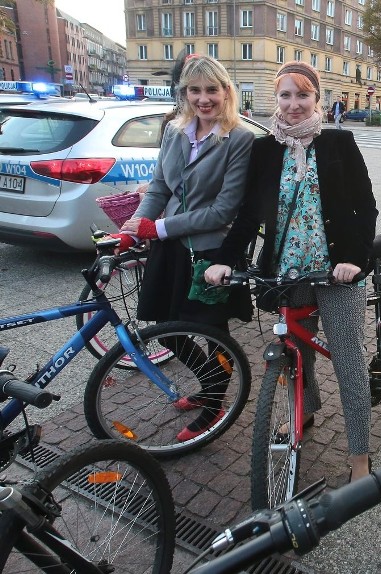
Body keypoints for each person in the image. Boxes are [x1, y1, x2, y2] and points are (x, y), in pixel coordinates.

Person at [205, 61, 378, 482]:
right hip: (289, 271)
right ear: (275, 99)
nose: (294, 104)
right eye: (286, 95)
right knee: (298, 351)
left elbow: (365, 208)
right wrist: (224, 258)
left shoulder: (339, 143)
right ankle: (308, 410)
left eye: (303, 95)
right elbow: (248, 216)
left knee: (348, 361)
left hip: (336, 271)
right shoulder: (265, 149)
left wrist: (354, 259)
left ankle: (359, 456)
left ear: (317, 98)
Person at [111, 54, 255, 442]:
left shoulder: (239, 139)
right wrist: (134, 229)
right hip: (170, 248)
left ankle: (213, 406)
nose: (204, 98)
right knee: (166, 329)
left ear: (227, 92)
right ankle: (210, 385)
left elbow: (223, 210)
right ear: (184, 93)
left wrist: (156, 226)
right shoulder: (174, 131)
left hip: (209, 252)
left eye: (212, 89)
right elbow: (158, 187)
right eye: (195, 90)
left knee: (213, 332)